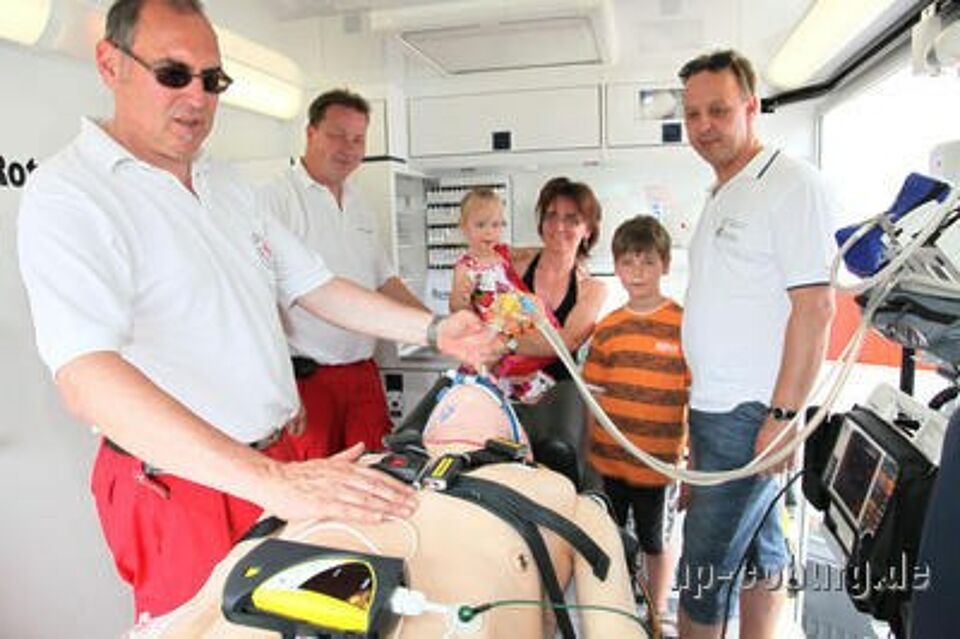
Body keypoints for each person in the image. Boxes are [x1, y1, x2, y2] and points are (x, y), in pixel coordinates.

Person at [16, 0, 499, 621]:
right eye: (173, 74)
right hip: (182, 487)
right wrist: (274, 482)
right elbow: (86, 378)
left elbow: (315, 286)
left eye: (212, 80)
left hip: (278, 463)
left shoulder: (224, 183)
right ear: (111, 65)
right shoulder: (72, 193)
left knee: (312, 622)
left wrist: (435, 328)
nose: (197, 97)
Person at [129, 381, 647, 639]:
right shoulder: (341, 471)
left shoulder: (557, 493)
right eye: (458, 392)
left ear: (521, 441)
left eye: (489, 394)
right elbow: (224, 579)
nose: (469, 388)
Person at [676, 49, 836, 638]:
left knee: (702, 568)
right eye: (693, 115)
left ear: (751, 107)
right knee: (758, 549)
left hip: (752, 412)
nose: (704, 126)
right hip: (717, 408)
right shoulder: (722, 192)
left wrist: (784, 415)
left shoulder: (790, 183)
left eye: (718, 110)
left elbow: (816, 308)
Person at [260, 88, 428, 460]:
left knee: (376, 475)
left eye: (357, 139)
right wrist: (279, 385)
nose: (348, 148)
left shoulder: (359, 202)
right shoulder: (275, 199)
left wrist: (437, 329)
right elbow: (259, 298)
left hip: (362, 375)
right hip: (305, 382)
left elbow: (385, 281)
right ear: (310, 133)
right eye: (337, 135)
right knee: (314, 495)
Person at [583, 215, 689, 632]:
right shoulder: (608, 328)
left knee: (653, 541)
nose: (637, 273)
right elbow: (593, 395)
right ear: (617, 267)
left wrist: (690, 460)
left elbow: (695, 397)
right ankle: (618, 603)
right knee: (610, 536)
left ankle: (656, 609)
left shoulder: (683, 324)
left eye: (647, 263)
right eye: (628, 263)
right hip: (610, 462)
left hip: (658, 465)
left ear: (665, 264)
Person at [510, 177, 608, 487]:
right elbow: (474, 275)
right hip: (504, 391)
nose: (559, 226)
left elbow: (564, 343)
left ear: (588, 230)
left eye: (572, 219)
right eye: (551, 215)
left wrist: (505, 343)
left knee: (555, 473)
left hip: (558, 400)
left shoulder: (593, 289)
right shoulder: (515, 262)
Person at [450, 187, 557, 404]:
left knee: (538, 352)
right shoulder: (466, 267)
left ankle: (524, 390)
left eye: (496, 225)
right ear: (464, 227)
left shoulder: (501, 253)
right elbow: (456, 303)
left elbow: (526, 252)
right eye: (480, 225)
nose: (489, 232)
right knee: (495, 382)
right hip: (491, 329)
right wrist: (463, 305)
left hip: (514, 320)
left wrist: (553, 249)